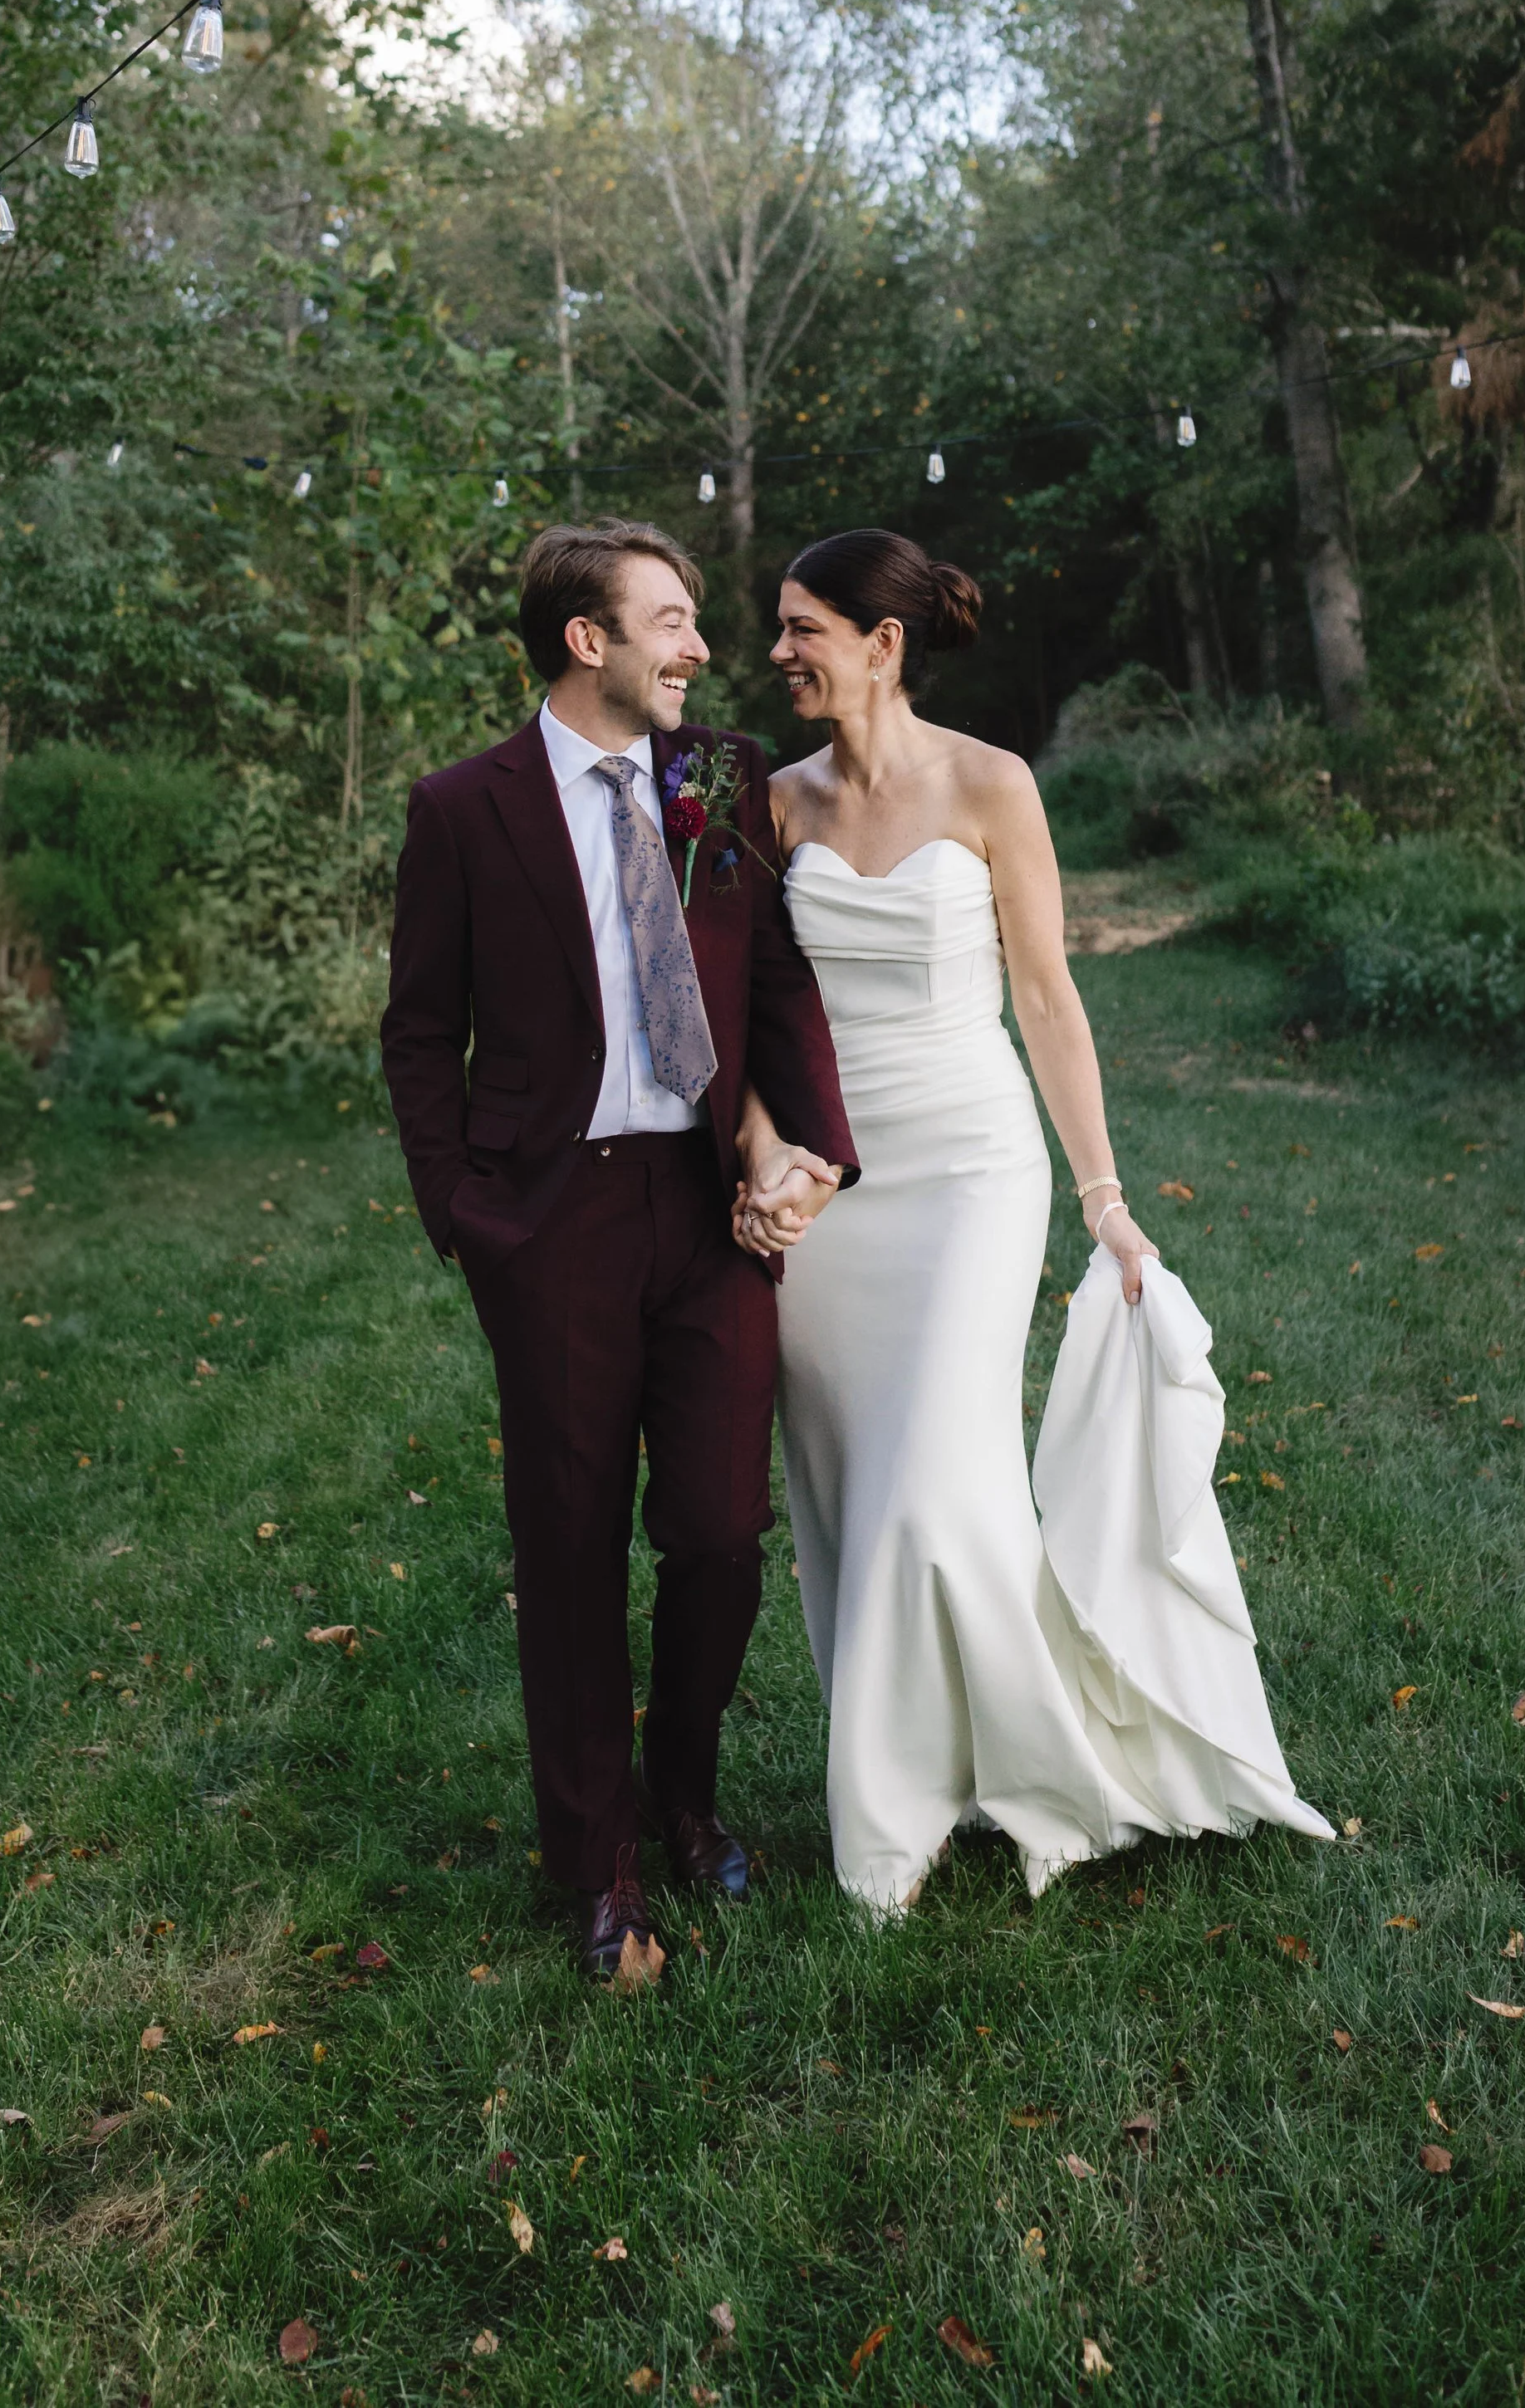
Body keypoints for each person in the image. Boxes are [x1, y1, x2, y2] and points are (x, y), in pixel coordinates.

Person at [736, 528, 1331, 1911]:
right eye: (775, 626)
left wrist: (1106, 1199)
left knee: (940, 1478)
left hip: (970, 1167)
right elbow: (750, 1018)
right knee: (849, 1492)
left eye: (802, 627)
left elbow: (1050, 999)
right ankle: (909, 1781)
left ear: (882, 644)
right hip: (831, 1187)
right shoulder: (771, 805)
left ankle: (1010, 1776)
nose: (778, 652)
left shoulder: (991, 783)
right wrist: (769, 1157)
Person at [380, 521, 858, 1979]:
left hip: (706, 1207)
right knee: (571, 1544)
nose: (702, 647)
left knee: (719, 1528)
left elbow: (775, 975)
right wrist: (468, 1216)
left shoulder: (710, 778)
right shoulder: (465, 810)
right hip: (555, 1222)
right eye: (672, 620)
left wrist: (813, 1145)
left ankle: (686, 1790)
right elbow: (419, 1033)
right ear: (587, 640)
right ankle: (597, 1863)